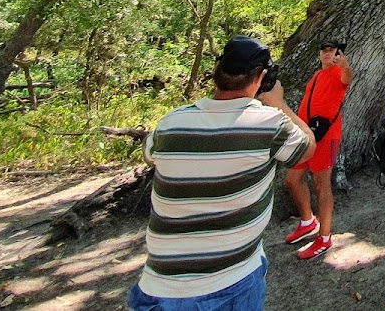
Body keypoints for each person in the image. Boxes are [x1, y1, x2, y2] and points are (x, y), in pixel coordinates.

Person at [128, 36, 315, 311]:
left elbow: (150, 154)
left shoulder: (169, 124)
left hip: (158, 286)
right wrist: (278, 103)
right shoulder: (269, 125)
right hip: (231, 281)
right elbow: (307, 147)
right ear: (262, 77)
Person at [284, 40, 353, 260]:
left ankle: (324, 237)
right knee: (292, 180)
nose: (327, 54)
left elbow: (347, 78)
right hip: (306, 136)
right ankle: (307, 221)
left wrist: (345, 65)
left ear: (338, 54)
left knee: (321, 184)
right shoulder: (316, 76)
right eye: (323, 50)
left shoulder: (338, 73)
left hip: (326, 137)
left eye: (331, 51)